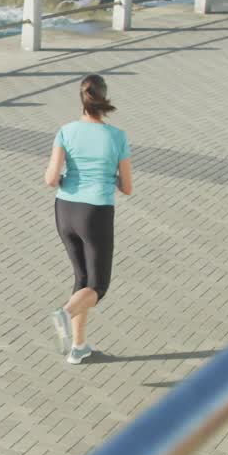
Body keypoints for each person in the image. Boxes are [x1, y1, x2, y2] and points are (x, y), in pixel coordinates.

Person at [43, 74, 133, 364]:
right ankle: (65, 315)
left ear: (81, 99)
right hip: (95, 213)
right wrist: (113, 178)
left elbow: (51, 179)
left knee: (82, 280)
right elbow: (128, 187)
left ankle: (78, 348)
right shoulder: (117, 136)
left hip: (65, 211)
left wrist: (71, 175)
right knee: (98, 286)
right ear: (103, 98)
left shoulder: (65, 132)